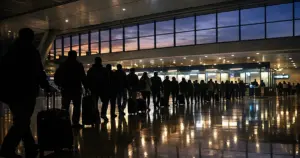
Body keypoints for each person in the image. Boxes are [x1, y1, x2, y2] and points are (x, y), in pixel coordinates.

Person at [0, 28, 51, 158]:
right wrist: (46, 85)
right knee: (22, 122)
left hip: (11, 93)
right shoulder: (30, 51)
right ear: (30, 37)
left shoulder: (11, 50)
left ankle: (30, 146)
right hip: (26, 92)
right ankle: (7, 148)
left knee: (22, 120)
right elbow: (38, 71)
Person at [55, 50, 88, 128]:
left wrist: (59, 85)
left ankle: (64, 122)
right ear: (75, 56)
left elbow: (57, 76)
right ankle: (75, 122)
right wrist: (86, 87)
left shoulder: (63, 65)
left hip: (66, 89)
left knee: (65, 106)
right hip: (76, 89)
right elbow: (83, 77)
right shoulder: (78, 65)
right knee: (77, 106)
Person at [87, 57, 109, 122]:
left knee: (94, 103)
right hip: (103, 89)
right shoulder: (104, 70)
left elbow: (88, 80)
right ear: (101, 61)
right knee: (105, 101)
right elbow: (107, 80)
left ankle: (96, 115)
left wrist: (88, 88)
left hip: (94, 89)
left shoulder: (91, 70)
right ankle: (103, 114)